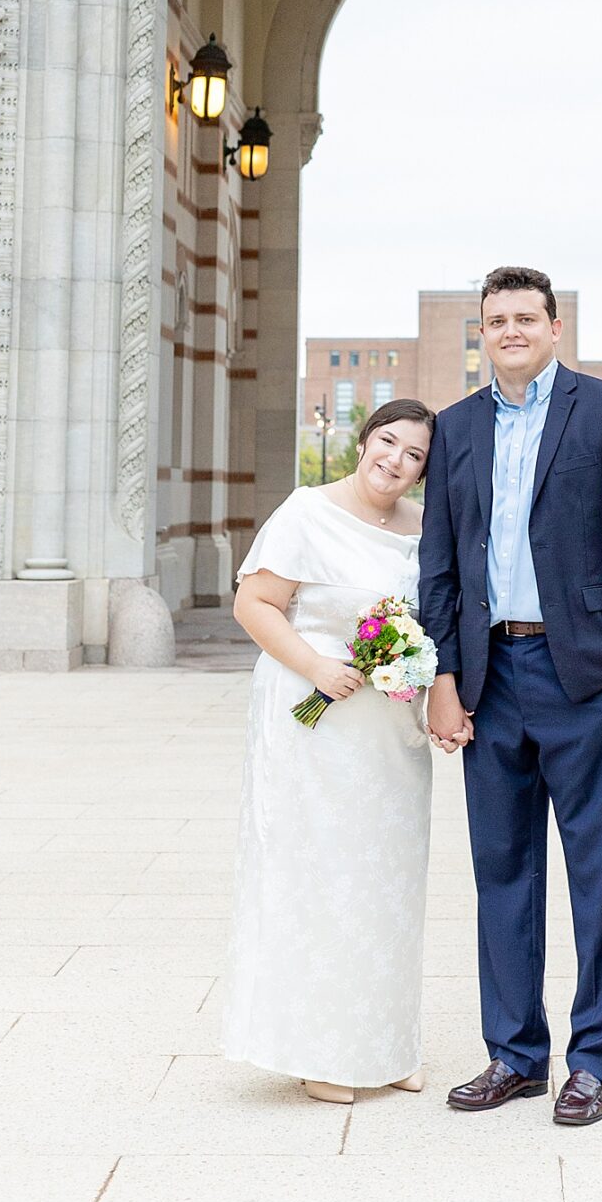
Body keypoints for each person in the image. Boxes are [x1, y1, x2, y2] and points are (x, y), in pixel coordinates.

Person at [419, 265, 602, 1128]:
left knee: (598, 873)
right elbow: (440, 564)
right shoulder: (455, 429)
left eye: (526, 317)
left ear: (554, 328)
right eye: (496, 320)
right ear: (480, 334)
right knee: (502, 873)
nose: (511, 331)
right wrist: (443, 680)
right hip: (489, 678)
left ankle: (593, 1060)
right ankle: (514, 1056)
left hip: (582, 677)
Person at [223, 400, 436, 1104]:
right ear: (362, 439)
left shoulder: (422, 528)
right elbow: (255, 604)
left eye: (413, 455)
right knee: (320, 878)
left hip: (388, 735)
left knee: (385, 883)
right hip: (312, 724)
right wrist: (314, 668)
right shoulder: (306, 512)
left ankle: (385, 1046)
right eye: (387, 442)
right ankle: (319, 1052)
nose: (395, 462)